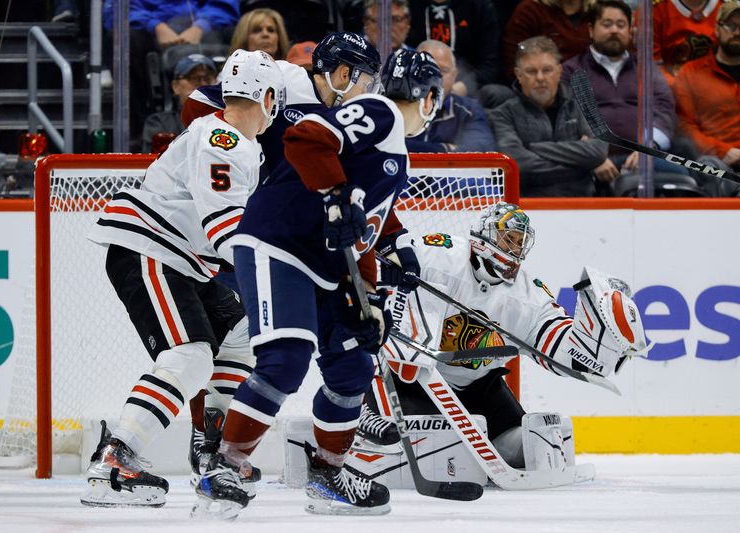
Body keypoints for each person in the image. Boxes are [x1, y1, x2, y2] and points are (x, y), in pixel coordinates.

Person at [193, 46, 443, 519]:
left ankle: (329, 471)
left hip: (326, 267)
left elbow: (359, 237)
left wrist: (371, 302)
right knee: (286, 360)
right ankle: (223, 466)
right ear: (427, 98)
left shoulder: (396, 158)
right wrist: (335, 194)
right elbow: (307, 137)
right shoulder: (380, 112)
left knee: (353, 367)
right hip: (279, 244)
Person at [80, 50, 285, 508]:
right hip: (151, 249)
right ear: (268, 97)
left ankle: (213, 453)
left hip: (183, 259)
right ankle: (116, 460)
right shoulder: (222, 139)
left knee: (240, 335)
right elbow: (224, 224)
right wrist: (271, 275)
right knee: (190, 356)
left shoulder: (235, 141)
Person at [357, 202, 648, 473]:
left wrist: (597, 341)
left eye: (521, 242)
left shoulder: (527, 294)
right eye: (509, 238)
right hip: (417, 384)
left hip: (479, 387)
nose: (515, 247)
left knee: (530, 449)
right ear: (486, 233)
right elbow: (385, 266)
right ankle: (357, 417)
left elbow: (559, 347)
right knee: (423, 446)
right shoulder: (440, 256)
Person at [562, 0, 688, 192]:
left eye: (621, 25)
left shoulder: (646, 68)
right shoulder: (571, 70)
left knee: (683, 176)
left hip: (644, 158)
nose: (614, 30)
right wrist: (592, 157)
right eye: (607, 24)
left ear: (630, 31)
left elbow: (664, 109)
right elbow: (564, 120)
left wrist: (649, 147)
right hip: (593, 161)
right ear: (590, 29)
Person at [102, 0, 240, 150]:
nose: (200, 81)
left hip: (204, 29)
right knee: (125, 40)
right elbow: (117, 8)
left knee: (243, 34)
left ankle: (239, 120)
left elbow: (225, 4)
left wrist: (201, 25)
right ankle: (137, 134)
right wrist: (155, 25)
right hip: (148, 30)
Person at [489, 37, 609, 197]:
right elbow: (517, 165)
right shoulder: (502, 114)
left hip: (581, 203)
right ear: (518, 75)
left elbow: (598, 151)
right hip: (527, 207)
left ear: (559, 72)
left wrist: (532, 147)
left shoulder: (581, 105)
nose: (540, 78)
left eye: (547, 70)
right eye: (531, 71)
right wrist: (581, 163)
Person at [673, 1, 740, 196]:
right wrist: (723, 151)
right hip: (717, 162)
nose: (737, 32)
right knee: (706, 165)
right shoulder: (691, 73)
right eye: (731, 26)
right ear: (717, 29)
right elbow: (685, 128)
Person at [406, 40, 496, 153]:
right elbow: (383, 146)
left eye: (443, 70)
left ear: (454, 76)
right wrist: (445, 149)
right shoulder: (394, 106)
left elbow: (481, 149)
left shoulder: (469, 110)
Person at [406, 0, 501, 95]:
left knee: (495, 93)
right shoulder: (409, 6)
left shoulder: (480, 7)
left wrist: (463, 86)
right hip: (416, 82)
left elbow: (490, 65)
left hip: (467, 86)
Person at [142, 54, 218, 153]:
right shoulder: (158, 123)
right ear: (175, 86)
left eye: (207, 78)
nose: (202, 83)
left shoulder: (230, 120)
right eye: (193, 78)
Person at [502, 0, 595, 81]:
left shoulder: (598, 10)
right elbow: (514, 66)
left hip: (592, 91)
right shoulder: (530, 11)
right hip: (541, 92)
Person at [652, 0, 725, 87]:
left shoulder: (728, 7)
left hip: (721, 89)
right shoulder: (654, 10)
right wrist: (681, 89)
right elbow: (650, 68)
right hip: (671, 93)